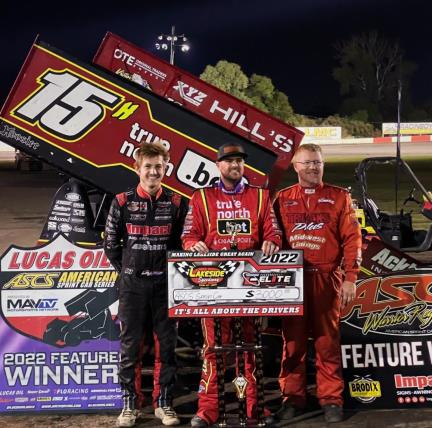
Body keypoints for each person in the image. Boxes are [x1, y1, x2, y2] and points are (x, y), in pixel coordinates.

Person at [181, 142, 282, 428]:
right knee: (213, 349)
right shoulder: (201, 197)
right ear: (218, 166)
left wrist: (272, 241)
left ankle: (255, 408)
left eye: (239, 161)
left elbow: (272, 230)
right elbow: (188, 234)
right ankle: (208, 410)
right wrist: (192, 244)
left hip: (250, 285)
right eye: (228, 161)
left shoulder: (261, 196)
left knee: (251, 348)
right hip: (212, 287)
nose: (234, 166)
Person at [273, 143, 362, 423]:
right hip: (293, 280)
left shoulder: (339, 197)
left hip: (327, 278)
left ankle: (331, 399)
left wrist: (350, 278)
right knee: (293, 344)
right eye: (308, 162)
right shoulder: (282, 198)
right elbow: (272, 237)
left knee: (327, 343)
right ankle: (293, 397)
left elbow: (352, 239)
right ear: (295, 167)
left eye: (318, 162)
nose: (313, 167)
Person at [104, 142, 189, 427]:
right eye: (148, 166)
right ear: (137, 168)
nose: (154, 172)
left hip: (166, 287)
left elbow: (181, 244)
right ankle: (130, 405)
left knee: (167, 347)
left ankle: (163, 403)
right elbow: (110, 245)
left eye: (159, 167)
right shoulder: (122, 201)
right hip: (132, 287)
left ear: (166, 168)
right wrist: (130, 271)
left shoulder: (178, 202)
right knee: (130, 347)